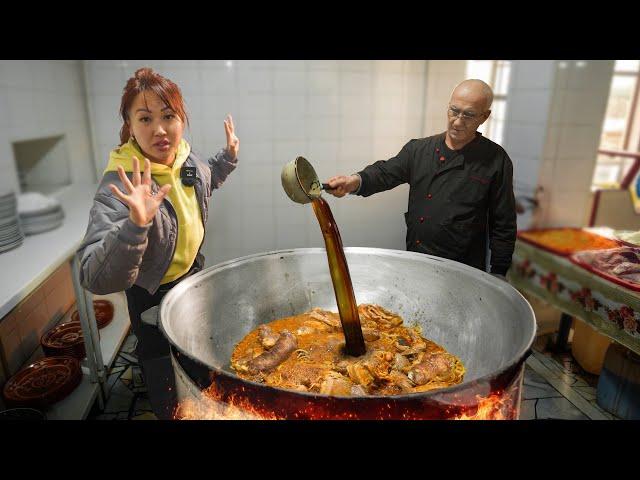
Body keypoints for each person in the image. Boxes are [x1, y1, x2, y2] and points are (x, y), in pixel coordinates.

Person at [76, 68, 240, 419]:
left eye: (169, 116)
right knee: (163, 371)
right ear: (129, 124)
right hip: (150, 293)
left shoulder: (187, 159)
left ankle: (202, 399)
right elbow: (93, 276)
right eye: (145, 118)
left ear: (182, 119)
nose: (160, 129)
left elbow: (205, 182)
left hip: (193, 277)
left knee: (198, 356)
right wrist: (136, 225)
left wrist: (227, 158)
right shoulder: (120, 184)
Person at [325, 79, 516, 278]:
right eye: (454, 110)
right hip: (417, 258)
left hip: (463, 267)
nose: (458, 121)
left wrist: (499, 272)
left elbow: (503, 222)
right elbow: (385, 172)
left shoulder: (496, 160)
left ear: (484, 117)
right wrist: (353, 182)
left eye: (468, 115)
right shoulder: (419, 150)